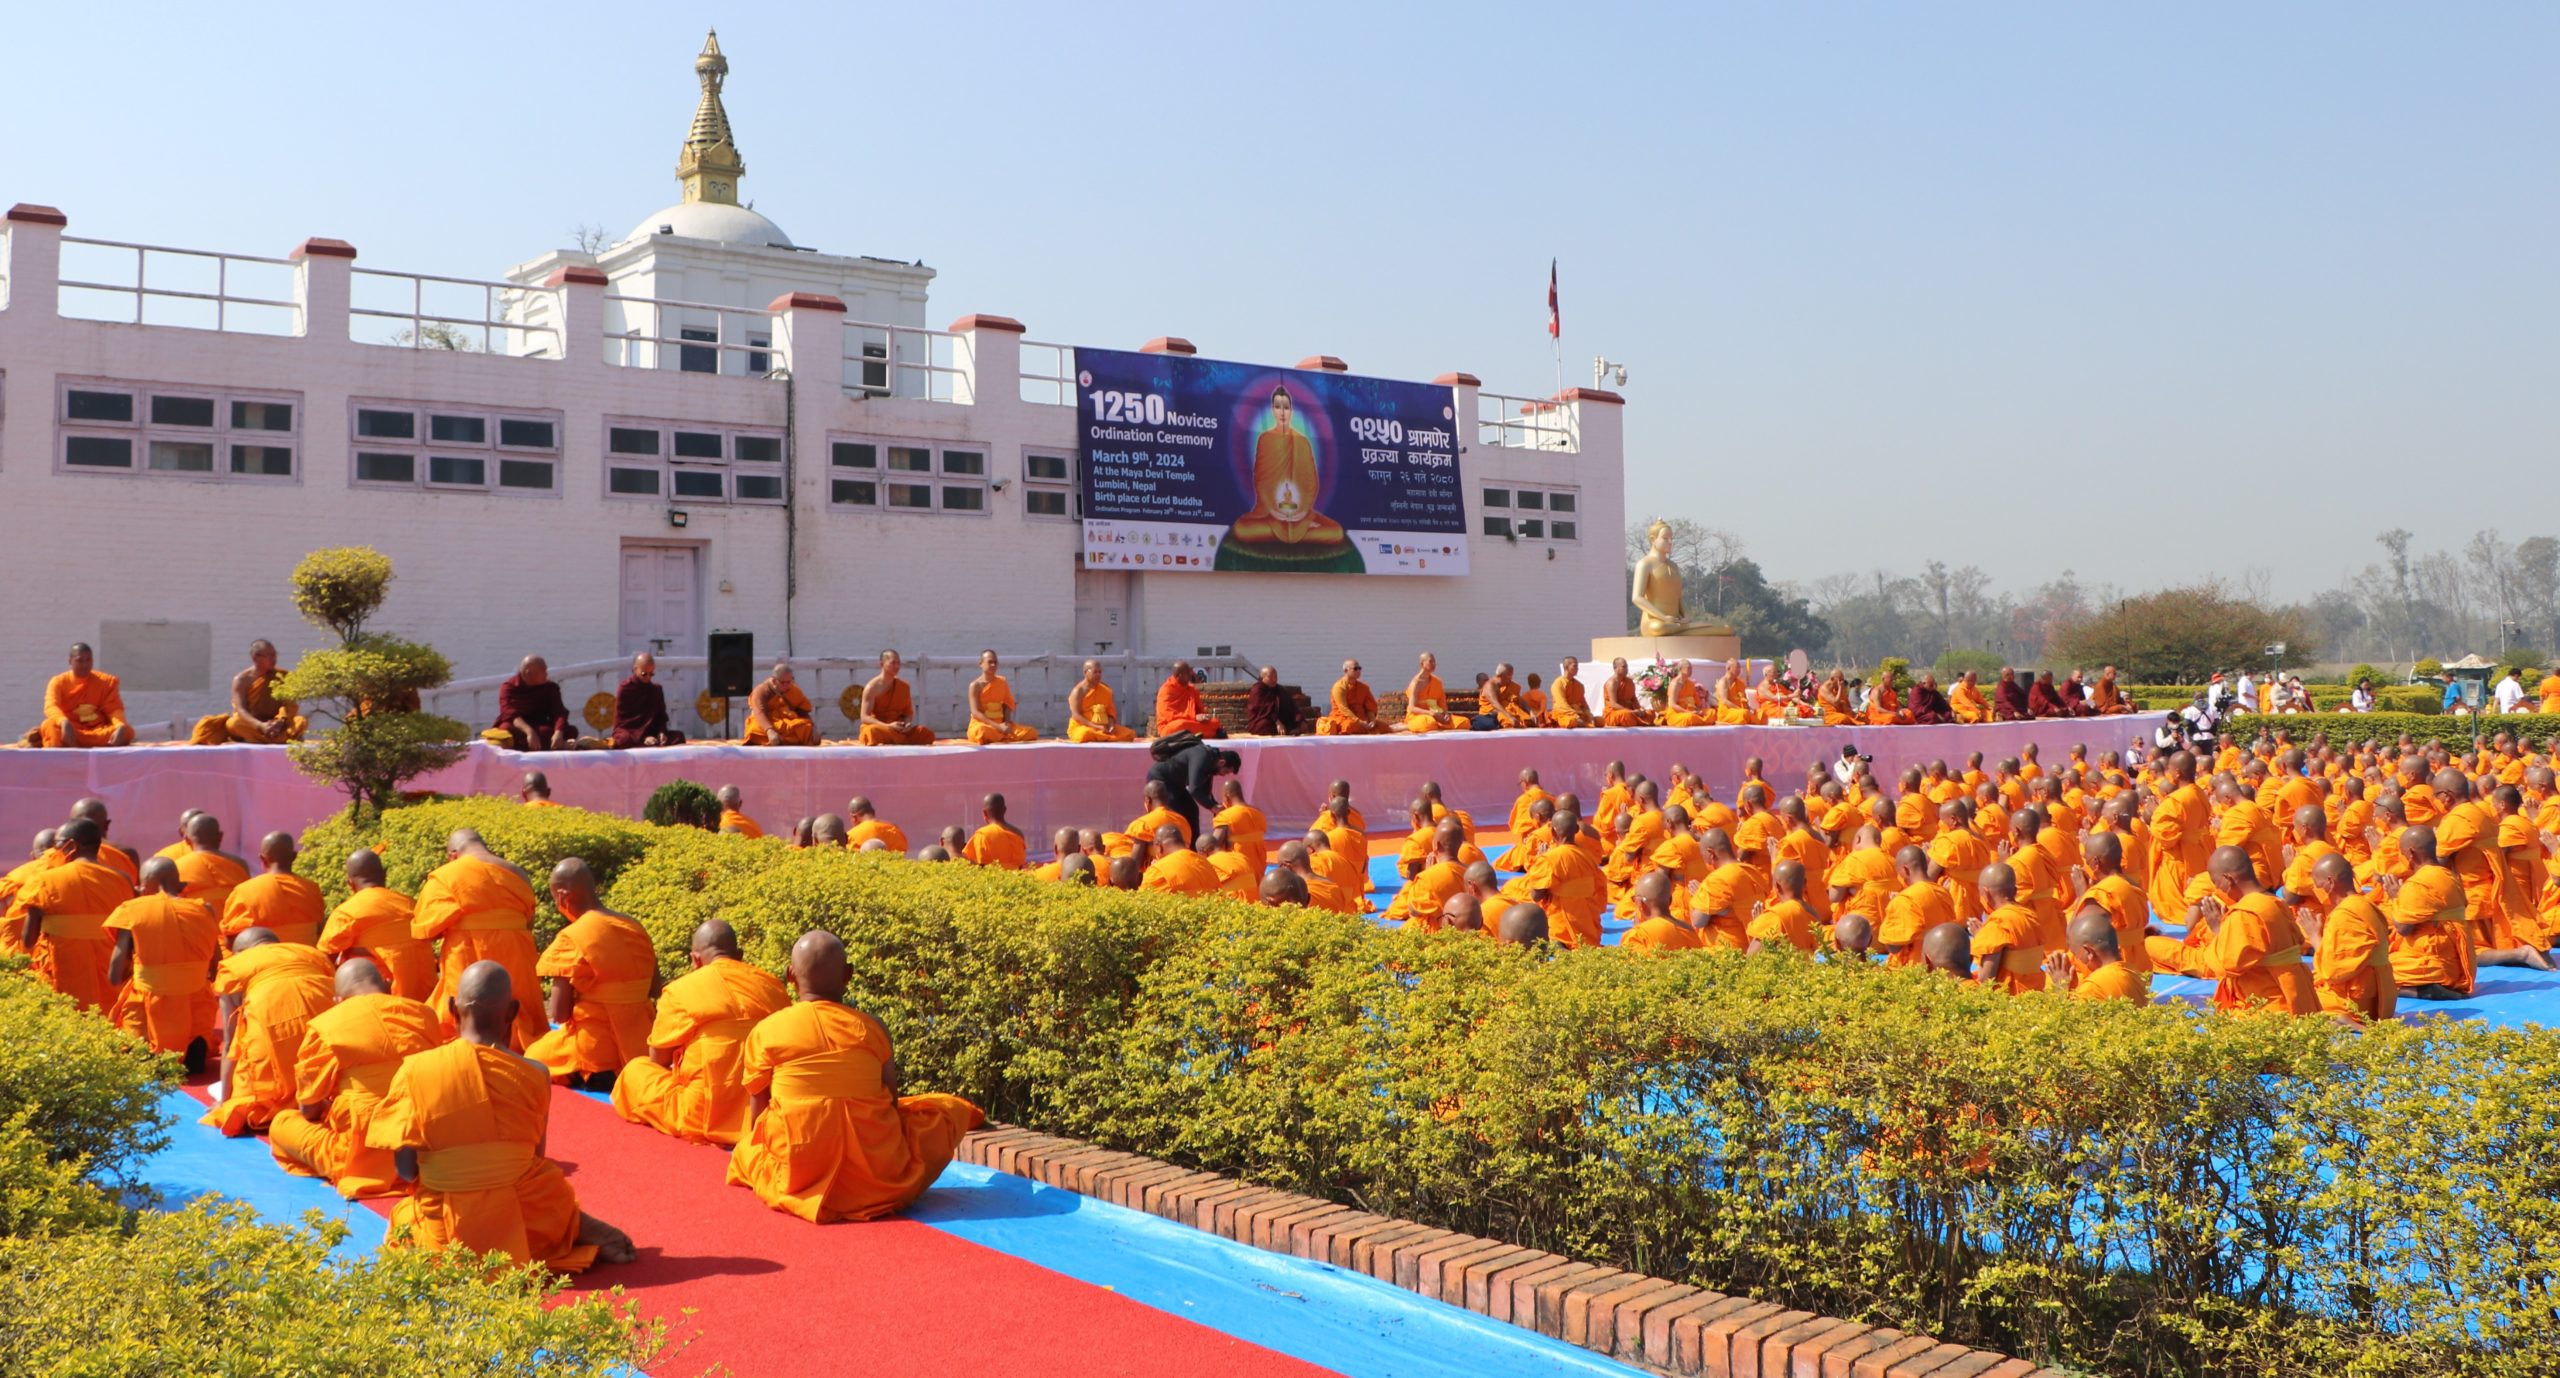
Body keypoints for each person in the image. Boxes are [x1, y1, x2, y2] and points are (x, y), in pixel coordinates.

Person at [369, 960, 635, 1272]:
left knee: (400, 1223)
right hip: (525, 1232)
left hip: (447, 1234)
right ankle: (573, 1226)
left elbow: (406, 1171)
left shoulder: (415, 1071)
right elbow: (535, 1156)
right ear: (512, 1012)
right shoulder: (535, 1073)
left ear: (452, 1007)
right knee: (544, 1187)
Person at [726, 931, 985, 1222]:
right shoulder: (872, 1028)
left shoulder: (767, 1030)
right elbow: (890, 1102)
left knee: (749, 1147)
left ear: (790, 976)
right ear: (848, 975)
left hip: (796, 1173)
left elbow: (758, 1105)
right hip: (877, 1177)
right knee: (944, 1109)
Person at [268, 958, 442, 1198]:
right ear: (388, 985)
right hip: (423, 1146)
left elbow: (309, 1109)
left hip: (364, 1153)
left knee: (282, 1123)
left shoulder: (328, 1025)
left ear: (337, 1001)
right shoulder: (424, 1014)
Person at [612, 920, 791, 1146]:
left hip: (702, 1113)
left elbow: (659, 1059)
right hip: (765, 1110)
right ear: (740, 955)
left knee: (635, 1071)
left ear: (695, 960)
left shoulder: (680, 990)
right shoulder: (772, 986)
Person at [526, 860, 659, 1090]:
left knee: (533, 1056)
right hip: (643, 1044)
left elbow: (559, 1013)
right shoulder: (634, 926)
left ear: (562, 896)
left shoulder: (573, 936)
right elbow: (655, 989)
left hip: (598, 1054)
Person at [413, 830, 547, 1048]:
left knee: (462, 1011)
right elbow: (527, 923)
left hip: (467, 955)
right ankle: (519, 1047)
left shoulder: (446, 875)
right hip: (517, 954)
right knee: (520, 1011)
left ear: (453, 855)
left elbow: (425, 932)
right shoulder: (517, 873)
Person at [201, 928, 337, 1135]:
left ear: (242, 952)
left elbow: (229, 1043)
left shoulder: (235, 967)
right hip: (324, 1049)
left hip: (271, 1057)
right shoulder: (313, 954)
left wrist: (224, 1100)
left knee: (247, 1107)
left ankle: (278, 1105)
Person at [103, 857, 220, 1071]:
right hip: (194, 1005)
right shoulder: (205, 909)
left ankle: (152, 1049)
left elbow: (114, 975)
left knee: (136, 1058)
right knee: (194, 1050)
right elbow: (216, 965)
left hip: (148, 1006)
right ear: (179, 883)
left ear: (146, 885)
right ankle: (192, 1048)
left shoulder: (132, 910)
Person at [2184, 846, 2319, 1015]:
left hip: (2269, 1006)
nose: (2217, 889)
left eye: (2217, 882)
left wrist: (2217, 928)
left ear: (2228, 879)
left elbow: (2225, 965)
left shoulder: (2245, 913)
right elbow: (2298, 940)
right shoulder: (2277, 903)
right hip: (2297, 994)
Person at [15, 819, 134, 1009]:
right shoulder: (122, 881)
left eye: (56, 846)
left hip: (64, 978)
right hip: (112, 981)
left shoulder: (44, 880)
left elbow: (29, 939)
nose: (52, 853)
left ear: (71, 846)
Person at [1226, 384, 1348, 549]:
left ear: (1291, 411)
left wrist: (1303, 512)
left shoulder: (1302, 441)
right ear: (1272, 410)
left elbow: (1311, 483)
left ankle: (1300, 528)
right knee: (1242, 529)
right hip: (1269, 514)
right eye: (1278, 407)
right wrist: (1272, 509)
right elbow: (1260, 480)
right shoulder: (1265, 439)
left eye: (1286, 407)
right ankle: (1301, 532)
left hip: (1300, 513)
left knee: (1336, 531)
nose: (1282, 412)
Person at [319, 849, 435, 1000]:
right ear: (384, 874)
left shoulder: (347, 912)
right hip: (424, 996)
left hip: (380, 996)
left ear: (350, 884)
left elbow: (324, 958)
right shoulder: (410, 904)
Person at [2296, 852, 2397, 1022]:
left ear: (2330, 882)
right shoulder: (2366, 904)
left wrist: (2314, 935)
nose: (2315, 890)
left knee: (2294, 999)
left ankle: (2342, 1019)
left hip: (2359, 1004)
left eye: (2317, 884)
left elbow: (2332, 972)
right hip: (2384, 999)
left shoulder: (2345, 914)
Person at [190, 640, 307, 744]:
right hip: (253, 724)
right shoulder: (241, 679)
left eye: (275, 655)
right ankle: (277, 738)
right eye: (269, 655)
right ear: (255, 658)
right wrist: (261, 726)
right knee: (233, 723)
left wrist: (280, 721)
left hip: (277, 723)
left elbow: (290, 703)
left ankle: (270, 736)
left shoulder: (283, 676)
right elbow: (240, 709)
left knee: (300, 721)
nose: (273, 659)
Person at [28, 643, 132, 748]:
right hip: (71, 730)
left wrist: (120, 725)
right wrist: (63, 722)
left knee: (126, 730)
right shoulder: (58, 682)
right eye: (80, 661)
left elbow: (113, 708)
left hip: (97, 729)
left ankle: (79, 744)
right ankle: (60, 755)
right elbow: (51, 706)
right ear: (70, 662)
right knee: (49, 725)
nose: (85, 665)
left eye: (88, 660)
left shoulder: (105, 682)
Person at [1525, 814, 1606, 948]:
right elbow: (1599, 889)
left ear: (1552, 832)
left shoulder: (1549, 859)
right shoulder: (1589, 857)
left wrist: (1538, 865)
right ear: (1576, 830)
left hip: (1562, 925)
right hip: (1588, 923)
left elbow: (1536, 895)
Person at [2042, 906, 2148, 1003]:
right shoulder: (2134, 973)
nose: (2076, 960)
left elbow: (2066, 1021)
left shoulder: (2093, 988)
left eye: (2076, 954)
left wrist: (2060, 986)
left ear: (2089, 952)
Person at [1969, 863, 2047, 993]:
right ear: (2015, 891)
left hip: (2011, 999)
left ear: (1986, 893)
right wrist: (1984, 936)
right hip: (2035, 992)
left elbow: (1986, 979)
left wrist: (1981, 938)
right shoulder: (2031, 916)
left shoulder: (1997, 924)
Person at [1145, 737, 1239, 843]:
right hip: (1161, 779)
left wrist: (1215, 806)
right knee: (1175, 815)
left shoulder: (1211, 761)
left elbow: (1204, 791)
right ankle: (1173, 846)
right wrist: (1213, 806)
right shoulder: (1202, 756)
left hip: (1175, 784)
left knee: (1191, 809)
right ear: (1222, 762)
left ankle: (1194, 846)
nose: (1223, 775)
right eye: (1225, 771)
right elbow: (1194, 788)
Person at [491, 656, 574, 751]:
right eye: (543, 671)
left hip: (540, 725)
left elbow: (559, 712)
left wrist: (558, 732)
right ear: (528, 672)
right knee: (506, 729)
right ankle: (557, 746)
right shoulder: (509, 687)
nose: (546, 674)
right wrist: (529, 732)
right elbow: (511, 714)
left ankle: (552, 744)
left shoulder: (550, 687)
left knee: (568, 730)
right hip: (518, 726)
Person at [859, 651, 936, 745]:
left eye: (898, 663)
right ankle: (894, 740)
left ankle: (896, 740)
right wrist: (888, 726)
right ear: (882, 664)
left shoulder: (904, 686)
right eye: (893, 663)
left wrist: (906, 724)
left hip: (898, 729)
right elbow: (865, 717)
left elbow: (907, 713)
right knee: (871, 732)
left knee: (925, 733)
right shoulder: (872, 687)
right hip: (881, 727)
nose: (896, 666)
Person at [964, 649, 1039, 744]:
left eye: (995, 662)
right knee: (981, 732)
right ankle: (1001, 736)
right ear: (981, 664)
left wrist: (1006, 724)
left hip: (1001, 724)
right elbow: (975, 713)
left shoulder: (1002, 682)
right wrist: (998, 727)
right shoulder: (975, 686)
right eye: (990, 662)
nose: (993, 665)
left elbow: (1007, 704)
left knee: (1031, 732)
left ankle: (1002, 736)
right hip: (983, 724)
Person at [611, 652, 684, 747]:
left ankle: (650, 742)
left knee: (679, 736)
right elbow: (623, 723)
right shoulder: (625, 688)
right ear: (635, 669)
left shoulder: (656, 689)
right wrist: (643, 737)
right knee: (623, 739)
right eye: (644, 674)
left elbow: (660, 717)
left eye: (651, 674)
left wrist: (661, 733)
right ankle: (644, 742)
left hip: (651, 732)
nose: (648, 678)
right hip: (631, 733)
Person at [1619, 870, 1700, 952]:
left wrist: (1637, 928)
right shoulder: (1690, 931)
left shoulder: (1638, 936)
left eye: (1634, 900)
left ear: (1640, 903)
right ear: (1670, 900)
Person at [745, 661, 819, 746]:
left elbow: (803, 711)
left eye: (789, 682)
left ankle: (781, 740)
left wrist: (813, 728)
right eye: (783, 683)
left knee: (806, 727)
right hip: (768, 723)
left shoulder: (793, 689)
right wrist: (769, 731)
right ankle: (778, 739)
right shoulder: (761, 691)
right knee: (754, 728)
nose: (787, 686)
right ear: (773, 681)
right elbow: (760, 713)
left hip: (786, 724)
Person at [1140, 825, 1224, 897]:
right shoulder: (1206, 863)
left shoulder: (1158, 870)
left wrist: (1152, 870)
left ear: (1159, 847)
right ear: (1184, 843)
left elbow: (1144, 902)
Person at [1153, 660, 1223, 738]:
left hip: (1191, 723)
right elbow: (1167, 715)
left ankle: (1196, 734)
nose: (1190, 675)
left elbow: (1199, 710)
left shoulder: (1191, 689)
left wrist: (1202, 717)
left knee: (1215, 722)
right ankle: (1208, 734)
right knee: (1180, 725)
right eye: (1187, 673)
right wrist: (1193, 717)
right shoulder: (1166, 690)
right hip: (1170, 726)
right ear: (1179, 675)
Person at [1212, 780, 1268, 874]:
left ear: (1227, 797)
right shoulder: (1259, 814)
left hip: (1238, 871)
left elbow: (1212, 844)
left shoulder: (1226, 816)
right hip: (1259, 870)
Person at [1317, 659, 1384, 735]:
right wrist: (1359, 722)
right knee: (1349, 726)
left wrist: (1372, 720)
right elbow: (1343, 708)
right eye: (1355, 669)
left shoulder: (1363, 687)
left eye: (1359, 668)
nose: (1358, 671)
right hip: (1344, 718)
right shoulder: (1339, 687)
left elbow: (1369, 707)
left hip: (1362, 718)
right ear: (1346, 671)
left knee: (1382, 726)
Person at [962, 793, 1027, 869]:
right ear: (1004, 810)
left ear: (985, 813)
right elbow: (1020, 865)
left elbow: (978, 864)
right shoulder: (1018, 834)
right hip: (1015, 879)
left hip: (992, 879)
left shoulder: (982, 835)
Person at [1403, 652, 1459, 732]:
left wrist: (1445, 714)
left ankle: (1438, 723)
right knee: (1429, 723)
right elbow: (1412, 708)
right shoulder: (1416, 683)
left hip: (1436, 714)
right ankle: (1407, 726)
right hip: (1418, 716)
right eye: (1430, 661)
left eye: (1434, 662)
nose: (1434, 664)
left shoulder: (1437, 682)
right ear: (1422, 664)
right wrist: (1431, 713)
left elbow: (1441, 703)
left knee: (1464, 722)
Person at [1243, 665, 1303, 736]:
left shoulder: (1280, 690)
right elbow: (1264, 708)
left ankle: (1288, 729)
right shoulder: (1257, 689)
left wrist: (1300, 719)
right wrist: (1277, 721)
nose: (1274, 680)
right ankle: (1285, 730)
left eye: (1275, 677)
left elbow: (1291, 706)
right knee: (1264, 724)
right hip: (1263, 720)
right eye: (1271, 677)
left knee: (1297, 724)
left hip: (1280, 720)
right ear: (1263, 678)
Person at [1547, 657, 1594, 728]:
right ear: (1566, 667)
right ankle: (1580, 722)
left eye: (1577, 666)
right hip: (1563, 713)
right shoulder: (1558, 683)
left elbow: (1583, 703)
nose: (1577, 669)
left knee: (1600, 721)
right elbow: (1561, 704)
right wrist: (1575, 715)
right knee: (1572, 721)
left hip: (1578, 714)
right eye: (1575, 666)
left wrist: (1588, 713)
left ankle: (1582, 722)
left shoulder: (1579, 685)